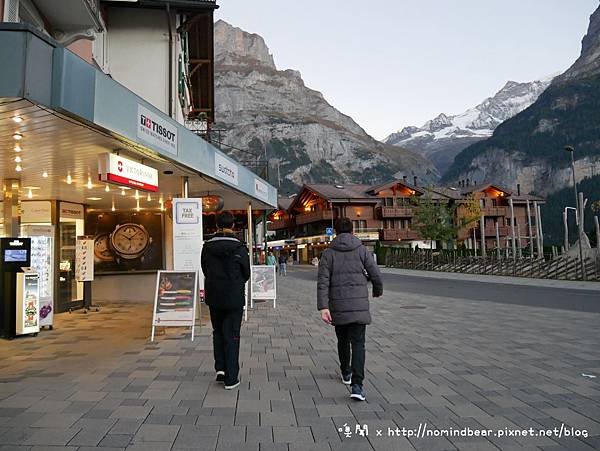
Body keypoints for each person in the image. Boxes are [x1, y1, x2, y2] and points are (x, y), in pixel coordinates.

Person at [317, 217, 383, 401]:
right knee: (359, 343)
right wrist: (377, 291)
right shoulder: (362, 250)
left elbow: (323, 282)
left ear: (336, 232)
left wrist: (323, 307)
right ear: (353, 231)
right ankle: (357, 386)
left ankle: (346, 372)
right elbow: (376, 274)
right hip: (358, 306)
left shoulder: (328, 253)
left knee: (342, 340)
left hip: (338, 306)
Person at [201, 211, 250, 390]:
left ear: (216, 225)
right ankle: (231, 377)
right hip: (234, 297)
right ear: (233, 225)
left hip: (214, 295)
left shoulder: (207, 247)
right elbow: (247, 273)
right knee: (232, 335)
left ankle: (220, 369)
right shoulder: (240, 248)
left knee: (218, 332)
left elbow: (205, 269)